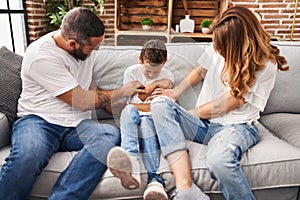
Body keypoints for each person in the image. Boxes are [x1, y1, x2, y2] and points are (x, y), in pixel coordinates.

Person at [0, 7, 146, 200]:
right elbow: (81, 101)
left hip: (77, 126)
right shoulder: (41, 56)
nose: (96, 51)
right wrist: (122, 91)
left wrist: (110, 105)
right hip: (39, 121)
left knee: (109, 134)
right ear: (72, 44)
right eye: (92, 48)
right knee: (29, 155)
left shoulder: (84, 49)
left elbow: (87, 84)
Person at [149, 6, 289, 200]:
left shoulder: (265, 64)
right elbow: (200, 70)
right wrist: (174, 93)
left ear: (239, 43)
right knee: (160, 104)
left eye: (221, 46)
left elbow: (228, 103)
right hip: (204, 124)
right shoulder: (219, 44)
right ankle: (186, 189)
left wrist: (188, 114)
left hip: (236, 127)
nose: (217, 48)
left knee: (219, 162)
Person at [107, 40, 174, 200]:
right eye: (148, 71)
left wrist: (155, 84)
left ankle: (155, 180)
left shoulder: (168, 75)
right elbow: (131, 103)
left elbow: (161, 108)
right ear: (140, 59)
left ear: (164, 62)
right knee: (129, 110)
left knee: (146, 123)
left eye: (155, 73)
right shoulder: (132, 72)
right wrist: (155, 87)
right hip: (132, 115)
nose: (150, 76)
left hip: (152, 119)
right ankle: (132, 162)